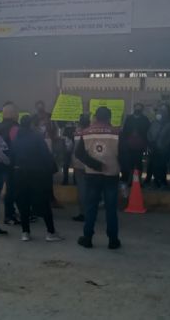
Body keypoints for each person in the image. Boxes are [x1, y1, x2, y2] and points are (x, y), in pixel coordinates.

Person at [75, 107, 121, 250]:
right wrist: (126, 175)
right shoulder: (117, 132)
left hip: (92, 175)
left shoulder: (86, 132)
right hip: (111, 175)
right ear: (109, 117)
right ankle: (113, 240)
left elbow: (79, 153)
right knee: (111, 209)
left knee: (91, 208)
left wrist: (95, 164)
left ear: (95, 117)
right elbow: (124, 155)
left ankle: (87, 238)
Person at [12, 115, 63, 242]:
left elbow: (11, 157)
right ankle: (50, 232)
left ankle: (25, 233)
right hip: (37, 175)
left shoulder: (16, 139)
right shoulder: (37, 138)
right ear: (31, 125)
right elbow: (46, 156)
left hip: (19, 174)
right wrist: (51, 170)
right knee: (44, 203)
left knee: (23, 204)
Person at [0, 102, 21, 225]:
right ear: (13, 114)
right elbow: (18, 145)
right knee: (12, 190)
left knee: (8, 189)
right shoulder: (15, 128)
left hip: (0, 163)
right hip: (13, 163)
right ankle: (9, 216)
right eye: (17, 112)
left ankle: (11, 212)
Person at [120, 102, 150, 187]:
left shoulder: (145, 119)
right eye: (136, 108)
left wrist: (145, 143)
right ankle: (129, 180)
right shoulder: (129, 118)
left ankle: (138, 181)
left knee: (139, 163)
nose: (137, 110)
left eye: (139, 108)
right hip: (129, 145)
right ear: (134, 108)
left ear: (142, 110)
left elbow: (148, 132)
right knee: (129, 163)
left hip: (140, 145)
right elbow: (124, 131)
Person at [147, 103, 170, 189]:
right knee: (155, 165)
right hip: (154, 148)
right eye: (158, 113)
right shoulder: (154, 123)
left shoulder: (169, 124)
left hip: (164, 150)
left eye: (161, 112)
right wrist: (151, 143)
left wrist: (164, 146)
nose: (159, 115)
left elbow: (169, 137)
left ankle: (162, 181)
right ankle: (156, 181)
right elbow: (149, 133)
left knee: (162, 166)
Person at [71, 113, 90, 222]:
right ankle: (91, 211)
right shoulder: (92, 131)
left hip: (78, 164)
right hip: (90, 164)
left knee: (82, 189)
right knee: (91, 189)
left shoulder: (77, 133)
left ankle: (83, 213)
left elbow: (71, 147)